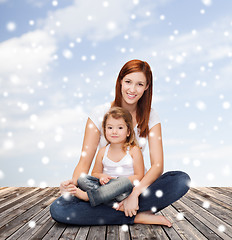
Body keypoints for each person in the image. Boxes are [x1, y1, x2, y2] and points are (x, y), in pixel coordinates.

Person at [50, 59, 190, 226]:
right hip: (102, 190)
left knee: (181, 180)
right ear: (120, 81)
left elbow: (157, 166)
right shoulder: (99, 113)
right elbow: (85, 162)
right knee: (58, 208)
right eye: (128, 82)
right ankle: (135, 216)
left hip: (136, 187)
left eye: (139, 84)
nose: (132, 89)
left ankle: (119, 210)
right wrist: (71, 187)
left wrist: (134, 195)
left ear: (147, 87)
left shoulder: (151, 116)